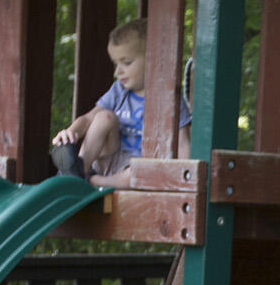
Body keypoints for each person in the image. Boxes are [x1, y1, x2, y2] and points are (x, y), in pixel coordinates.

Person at [51, 21, 186, 181]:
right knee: (104, 117)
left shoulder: (169, 99)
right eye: (116, 63)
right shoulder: (118, 91)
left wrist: (185, 176)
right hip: (109, 157)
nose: (118, 71)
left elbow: (183, 143)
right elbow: (88, 118)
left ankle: (93, 183)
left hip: (135, 169)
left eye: (127, 63)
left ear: (154, 60)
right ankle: (77, 170)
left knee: (143, 171)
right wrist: (70, 133)